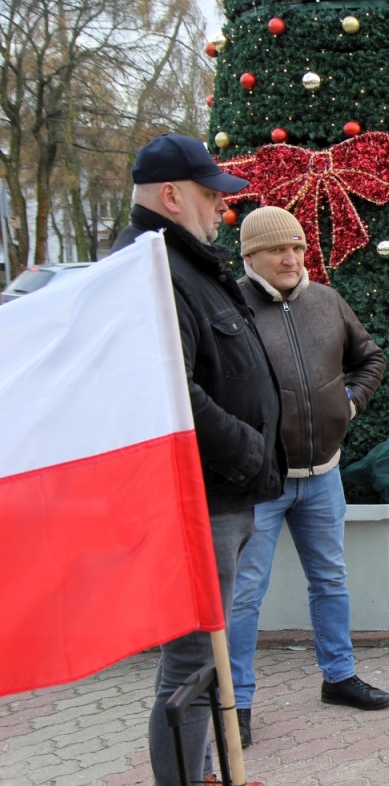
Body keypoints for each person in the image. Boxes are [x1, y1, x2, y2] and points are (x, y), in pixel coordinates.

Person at [111, 134, 286, 786]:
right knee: (190, 666)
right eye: (210, 195)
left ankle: (207, 773)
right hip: (198, 500)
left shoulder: (180, 262)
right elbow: (170, 389)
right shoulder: (150, 267)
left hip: (220, 494)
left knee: (198, 660)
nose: (221, 207)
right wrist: (247, 449)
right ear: (171, 196)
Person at [229, 207, 389, 746]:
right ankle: (236, 703)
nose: (291, 259)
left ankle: (338, 677)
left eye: (297, 248)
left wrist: (349, 403)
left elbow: (370, 358)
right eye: (278, 249)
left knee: (330, 580)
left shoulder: (326, 301)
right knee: (245, 594)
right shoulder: (230, 307)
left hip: (323, 473)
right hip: (259, 482)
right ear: (251, 255)